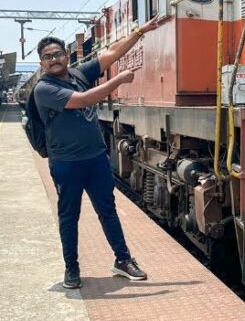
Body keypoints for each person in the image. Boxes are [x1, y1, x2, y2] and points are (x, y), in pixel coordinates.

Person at [34, 16, 163, 289]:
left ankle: (123, 260)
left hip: (95, 159)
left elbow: (112, 53)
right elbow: (84, 100)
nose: (54, 59)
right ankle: (71, 268)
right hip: (66, 163)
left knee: (108, 210)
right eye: (47, 57)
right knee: (69, 216)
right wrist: (118, 81)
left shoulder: (79, 74)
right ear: (42, 63)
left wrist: (140, 31)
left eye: (57, 54)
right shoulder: (44, 89)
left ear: (66, 56)